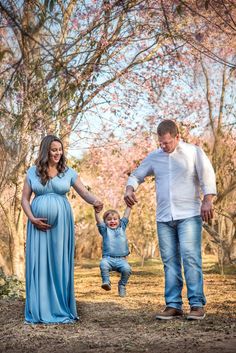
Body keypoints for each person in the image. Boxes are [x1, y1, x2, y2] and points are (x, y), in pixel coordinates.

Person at [124, 120, 216, 320]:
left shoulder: (193, 152)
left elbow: (207, 175)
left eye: (167, 142)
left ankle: (197, 304)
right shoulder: (155, 157)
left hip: (189, 215)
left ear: (177, 137)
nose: (163, 146)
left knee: (191, 258)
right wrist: (130, 188)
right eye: (161, 143)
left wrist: (207, 200)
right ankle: (173, 305)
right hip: (164, 217)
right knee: (169, 261)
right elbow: (137, 175)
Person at [21, 135, 103, 324]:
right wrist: (32, 218)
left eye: (60, 149)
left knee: (59, 263)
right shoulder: (32, 172)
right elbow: (25, 199)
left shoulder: (68, 172)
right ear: (45, 151)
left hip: (62, 226)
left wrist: (96, 201)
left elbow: (84, 192)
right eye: (53, 149)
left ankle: (60, 307)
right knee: (39, 265)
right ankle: (40, 307)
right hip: (37, 225)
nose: (58, 153)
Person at [94, 207, 132, 297]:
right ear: (105, 222)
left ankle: (122, 285)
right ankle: (106, 282)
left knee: (127, 269)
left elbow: (126, 216)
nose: (112, 221)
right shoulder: (104, 230)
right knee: (103, 265)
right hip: (108, 259)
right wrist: (96, 213)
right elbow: (99, 222)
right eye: (109, 219)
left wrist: (129, 206)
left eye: (115, 219)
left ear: (119, 221)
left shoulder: (122, 227)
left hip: (122, 260)